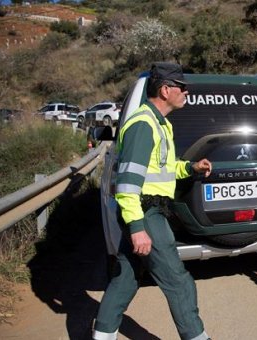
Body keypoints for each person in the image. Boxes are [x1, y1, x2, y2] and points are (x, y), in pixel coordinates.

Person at [93, 62, 213, 340]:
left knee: (127, 278)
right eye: (181, 88)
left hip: (146, 210)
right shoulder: (143, 125)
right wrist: (136, 227)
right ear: (165, 89)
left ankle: (102, 335)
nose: (186, 93)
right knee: (179, 281)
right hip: (145, 211)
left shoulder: (160, 124)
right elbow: (127, 182)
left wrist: (191, 168)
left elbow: (165, 168)